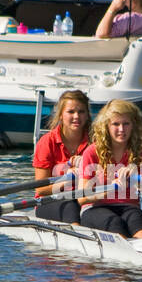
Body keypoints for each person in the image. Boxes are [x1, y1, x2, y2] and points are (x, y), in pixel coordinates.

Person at [76, 99, 142, 239]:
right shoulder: (92, 152)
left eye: (126, 124)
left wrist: (138, 175)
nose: (121, 129)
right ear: (106, 126)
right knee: (115, 223)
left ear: (134, 126)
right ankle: (126, 255)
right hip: (95, 208)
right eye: (116, 124)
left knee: (138, 224)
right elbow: (81, 198)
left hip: (129, 207)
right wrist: (110, 189)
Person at [32, 89, 91, 222]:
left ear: (87, 115)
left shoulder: (95, 142)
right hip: (49, 201)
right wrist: (68, 182)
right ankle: (78, 234)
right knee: (70, 206)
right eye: (71, 112)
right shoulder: (47, 142)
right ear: (61, 115)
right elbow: (41, 189)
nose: (76, 116)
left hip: (84, 199)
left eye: (81, 112)